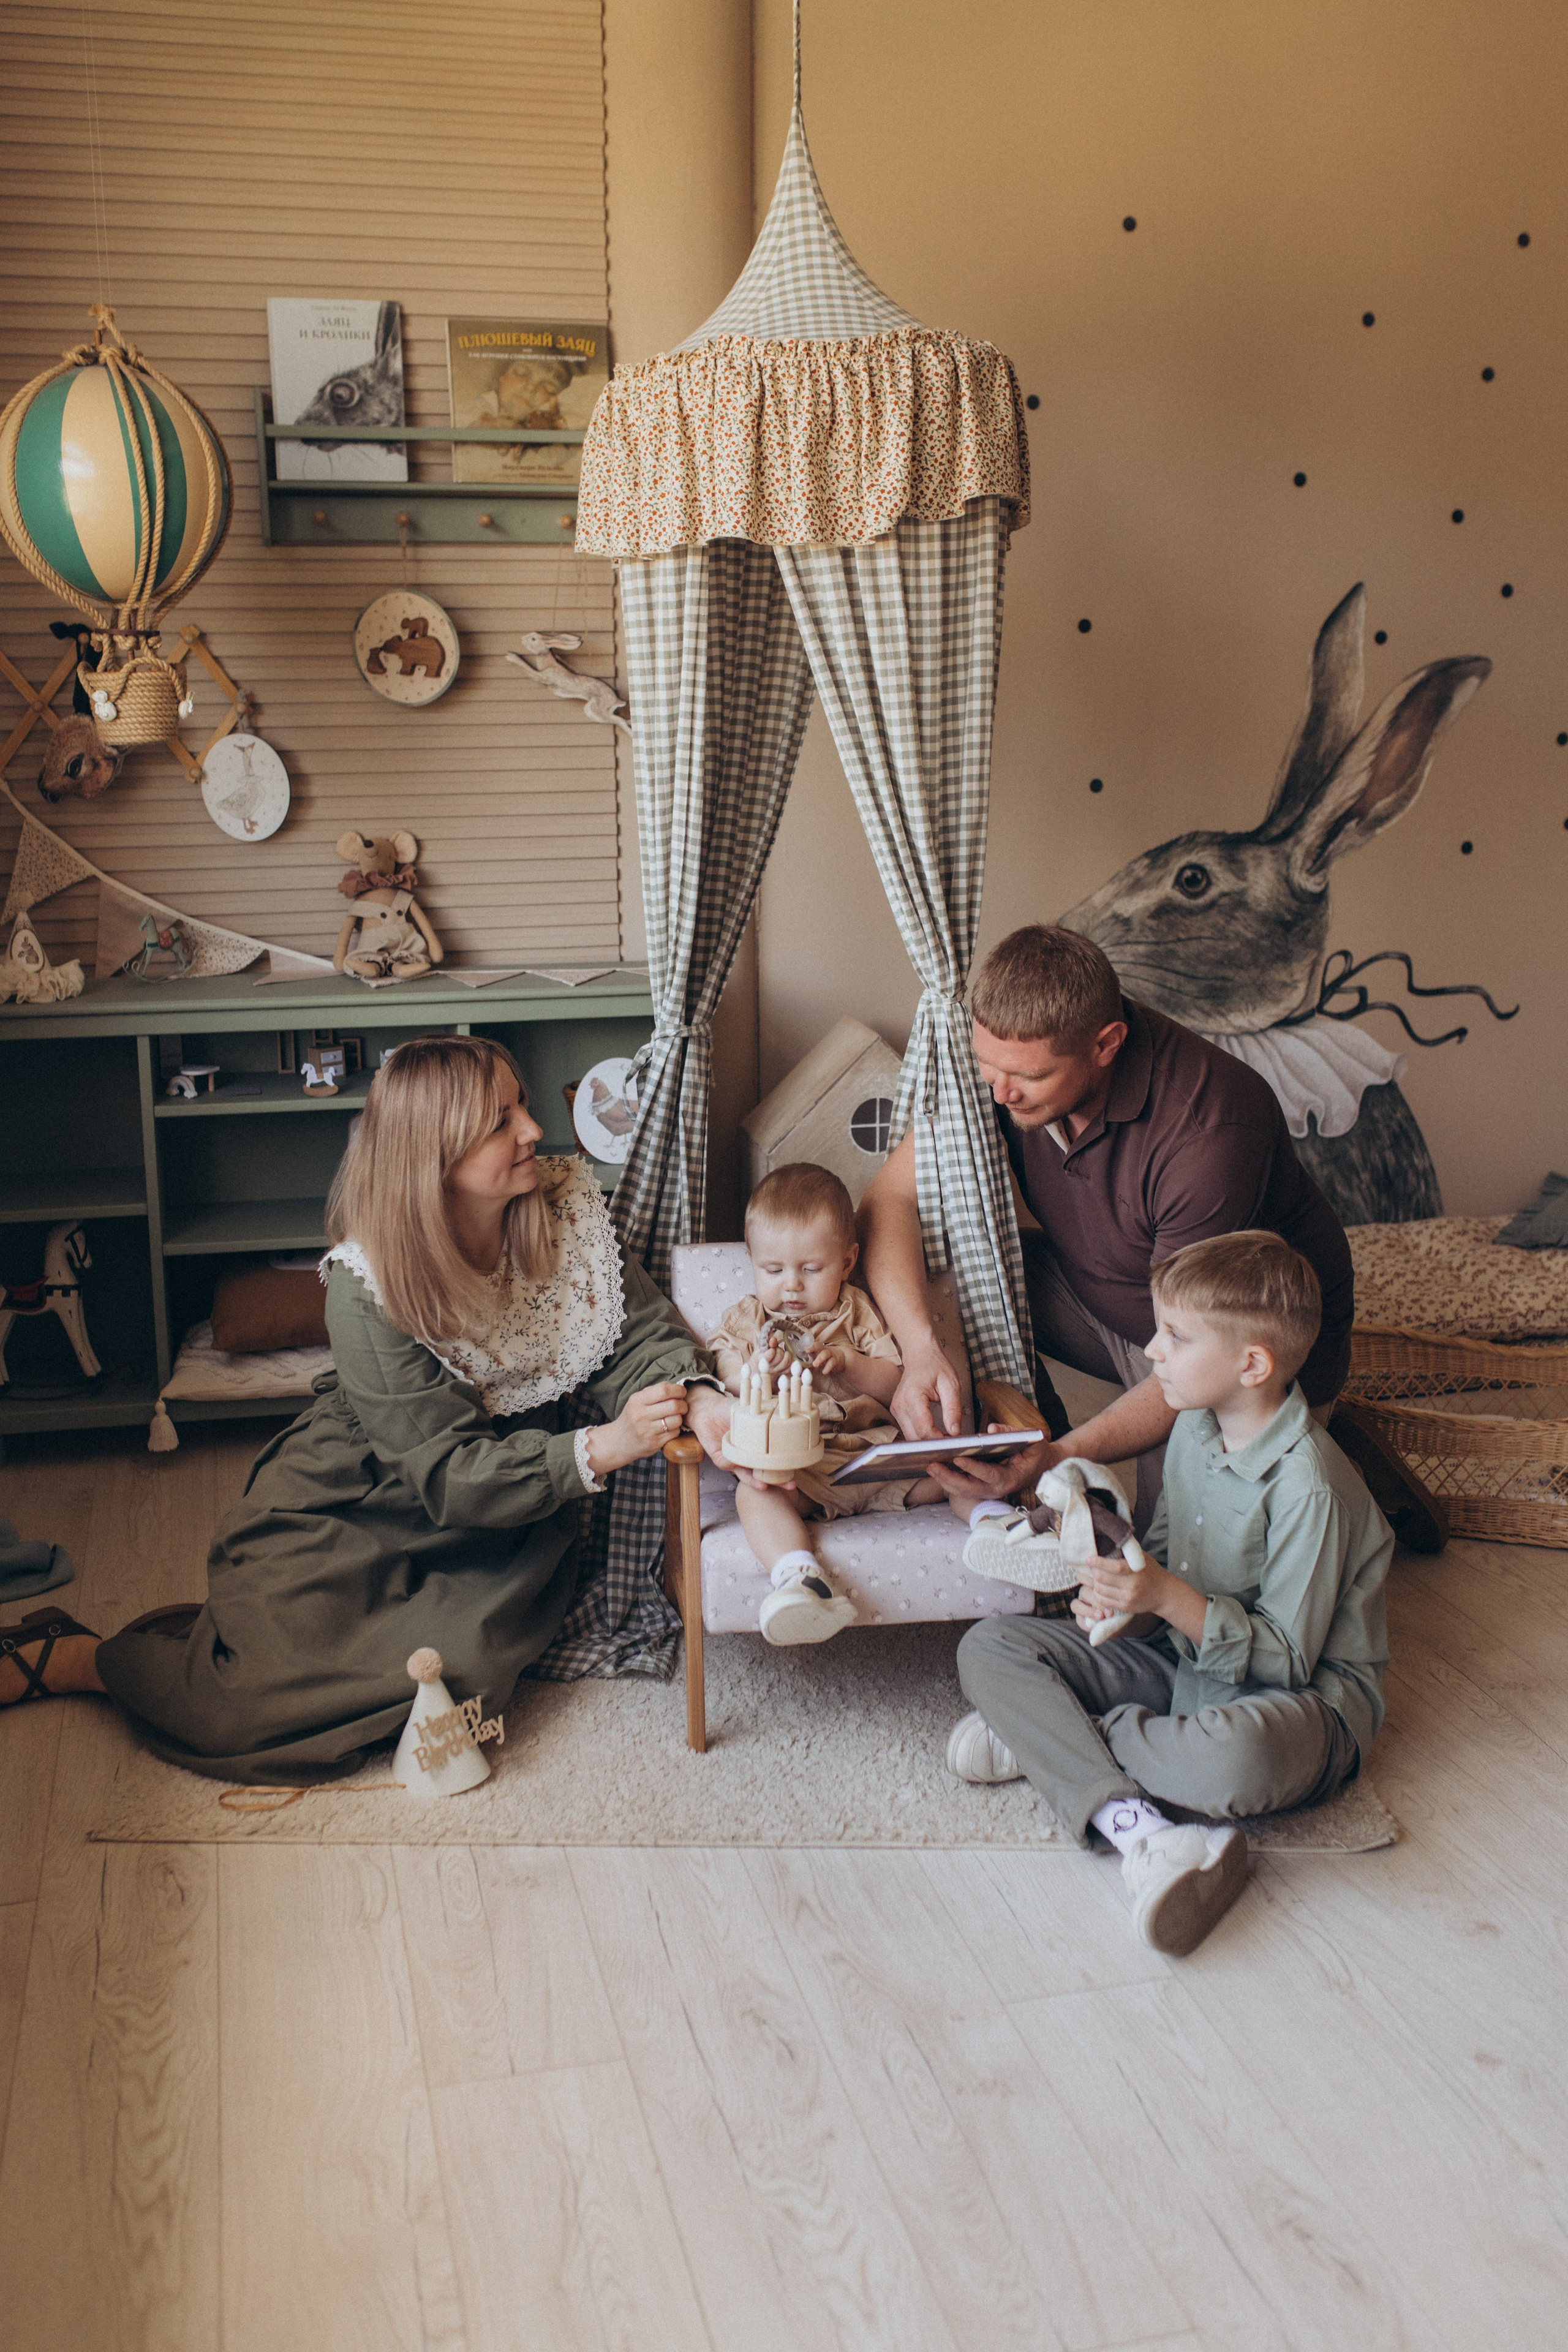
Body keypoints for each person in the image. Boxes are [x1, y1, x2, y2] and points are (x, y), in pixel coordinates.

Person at [0, 1036, 739, 1781]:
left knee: (448, 1682)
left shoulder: (565, 1207)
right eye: (500, 1121)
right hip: (362, 1495)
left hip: (498, 1520)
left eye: (520, 1104)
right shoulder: (368, 1286)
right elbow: (444, 1473)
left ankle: (184, 1649)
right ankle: (88, 1658)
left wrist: (701, 1394)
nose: (533, 1129)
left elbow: (633, 1331)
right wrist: (602, 1447)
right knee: (247, 1702)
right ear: (434, 1155)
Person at [949, 1232, 1392, 1955]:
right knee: (990, 1646)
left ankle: (1059, 1741)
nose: (1152, 1351)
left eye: (1175, 1337)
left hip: (1299, 1702)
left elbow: (1286, 1661)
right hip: (1181, 1660)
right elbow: (1161, 1559)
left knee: (1234, 1762)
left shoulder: (1311, 1487)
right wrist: (1124, 1603)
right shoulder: (1193, 1428)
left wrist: (1160, 1597)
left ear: (1252, 1365)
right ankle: (1134, 1819)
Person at [858, 924, 1356, 1531]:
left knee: (1171, 1551)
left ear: (1106, 1044)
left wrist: (1062, 1457)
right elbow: (888, 1199)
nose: (1002, 1093)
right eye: (987, 1068)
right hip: (1107, 1294)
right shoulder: (1011, 1065)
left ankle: (1320, 1447)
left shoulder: (1211, 1132)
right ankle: (1041, 1455)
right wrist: (920, 1350)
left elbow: (1199, 1341)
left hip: (1224, 1351)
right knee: (937, 1270)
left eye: (1030, 1078)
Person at [707, 1163, 959, 1644]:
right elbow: (724, 1384)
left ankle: (998, 1525)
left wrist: (848, 1363)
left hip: (874, 1459)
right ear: (752, 1259)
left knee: (958, 1463)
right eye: (773, 1270)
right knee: (755, 1493)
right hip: (803, 1472)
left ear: (847, 1262)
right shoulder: (745, 1320)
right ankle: (800, 1578)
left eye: (811, 1269)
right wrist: (759, 1369)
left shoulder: (856, 1310)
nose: (791, 1285)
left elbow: (896, 1384)